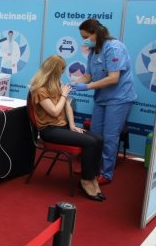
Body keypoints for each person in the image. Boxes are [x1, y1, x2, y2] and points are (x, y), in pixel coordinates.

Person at [30, 55, 105, 201]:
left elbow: (67, 106)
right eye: (62, 69)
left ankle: (92, 177)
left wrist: (72, 125)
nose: (63, 72)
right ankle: (86, 181)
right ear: (55, 70)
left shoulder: (56, 84)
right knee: (90, 142)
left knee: (98, 139)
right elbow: (54, 111)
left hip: (62, 127)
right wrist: (64, 94)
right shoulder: (39, 89)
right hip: (49, 130)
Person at [73, 19, 136, 185]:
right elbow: (88, 75)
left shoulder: (114, 48)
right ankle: (91, 168)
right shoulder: (94, 51)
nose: (84, 41)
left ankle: (106, 173)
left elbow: (113, 78)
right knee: (94, 136)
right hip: (102, 98)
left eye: (86, 37)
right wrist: (73, 83)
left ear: (96, 33)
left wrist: (87, 87)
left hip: (119, 99)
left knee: (109, 137)